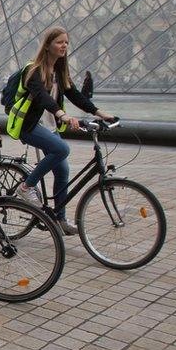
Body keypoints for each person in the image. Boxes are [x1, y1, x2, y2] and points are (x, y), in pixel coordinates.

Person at [12, 27, 115, 235]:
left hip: (49, 127)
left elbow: (75, 95)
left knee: (63, 171)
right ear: (48, 45)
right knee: (61, 149)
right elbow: (42, 96)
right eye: (60, 42)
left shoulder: (60, 71)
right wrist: (62, 115)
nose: (64, 46)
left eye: (66, 42)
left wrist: (99, 112)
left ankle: (60, 219)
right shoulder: (34, 70)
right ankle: (26, 187)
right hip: (29, 126)